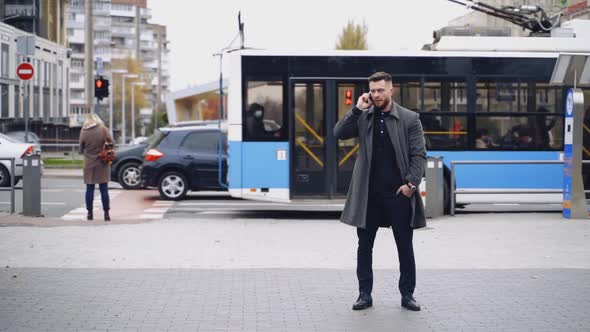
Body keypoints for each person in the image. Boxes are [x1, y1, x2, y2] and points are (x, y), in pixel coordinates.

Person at [334, 72, 427, 312]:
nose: (375, 95)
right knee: (364, 247)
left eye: (380, 90)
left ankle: (408, 295)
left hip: (399, 195)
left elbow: (419, 155)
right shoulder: (364, 116)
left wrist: (411, 185)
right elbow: (339, 133)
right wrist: (356, 110)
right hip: (369, 196)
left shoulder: (409, 118)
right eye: (372, 90)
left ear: (391, 91)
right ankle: (364, 294)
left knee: (404, 247)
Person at [79, 113, 113, 221]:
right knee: (104, 189)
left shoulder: (84, 132)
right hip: (103, 162)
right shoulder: (104, 129)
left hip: (89, 164)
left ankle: (90, 213)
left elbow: (80, 149)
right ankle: (106, 214)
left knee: (90, 189)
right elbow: (113, 143)